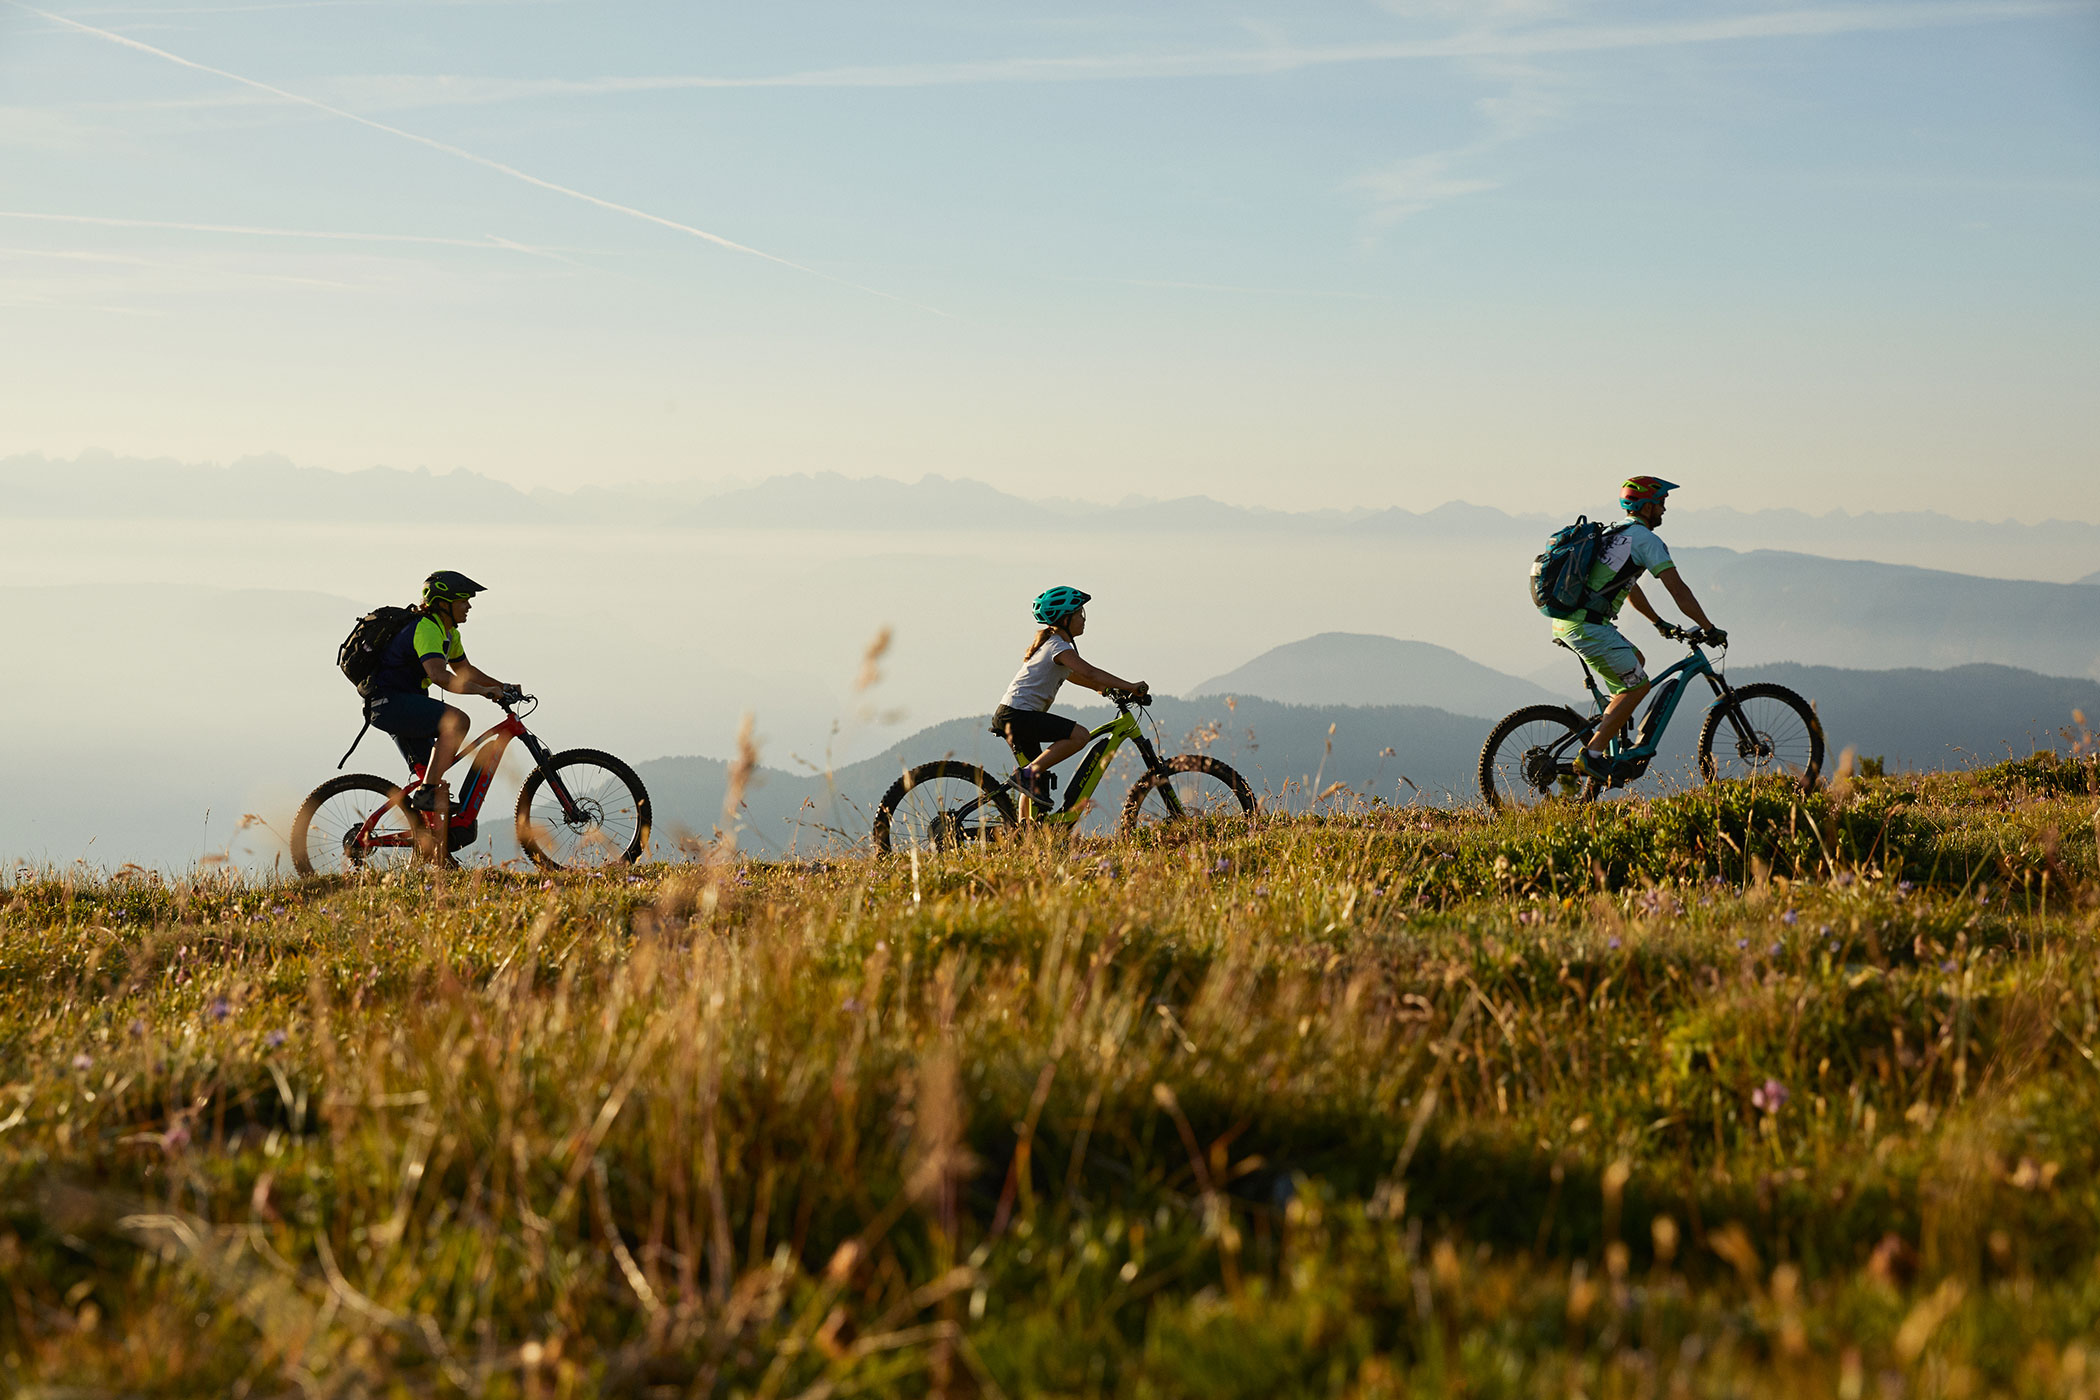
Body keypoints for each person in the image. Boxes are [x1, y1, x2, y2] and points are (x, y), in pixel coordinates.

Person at [1553, 477, 1725, 779]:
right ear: (1646, 506)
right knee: (1639, 685)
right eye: (1660, 503)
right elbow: (1678, 590)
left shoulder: (1613, 533)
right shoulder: (1645, 540)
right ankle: (1592, 754)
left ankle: (1607, 732)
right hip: (1588, 627)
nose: (1664, 510)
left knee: (1637, 662)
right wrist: (1708, 627)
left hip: (1571, 621)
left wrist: (1658, 622)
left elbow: (1629, 587)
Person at [361, 570, 519, 845]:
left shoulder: (449, 632)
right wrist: (484, 692)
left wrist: (501, 686)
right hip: (390, 702)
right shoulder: (426, 629)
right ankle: (426, 792)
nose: (469, 606)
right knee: (457, 722)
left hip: (407, 702)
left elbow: (465, 670)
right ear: (443, 603)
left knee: (435, 779)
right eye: (463, 601)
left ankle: (435, 848)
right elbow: (439, 675)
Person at [993, 586, 1149, 810]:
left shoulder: (1055, 646)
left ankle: (1023, 835)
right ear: (1065, 618)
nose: (1083, 619)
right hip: (1018, 716)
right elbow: (1090, 672)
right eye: (1079, 614)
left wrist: (1103, 689)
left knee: (1037, 782)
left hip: (1013, 715)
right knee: (1080, 736)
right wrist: (1130, 686)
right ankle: (1026, 776)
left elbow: (1075, 676)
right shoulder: (1058, 646)